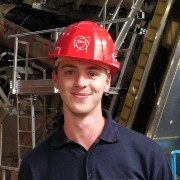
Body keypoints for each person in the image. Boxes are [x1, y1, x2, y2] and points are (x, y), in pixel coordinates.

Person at [18, 21, 173, 180]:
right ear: (56, 79)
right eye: (70, 72)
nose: (80, 82)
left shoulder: (147, 157)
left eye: (92, 73)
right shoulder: (34, 167)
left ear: (107, 82)